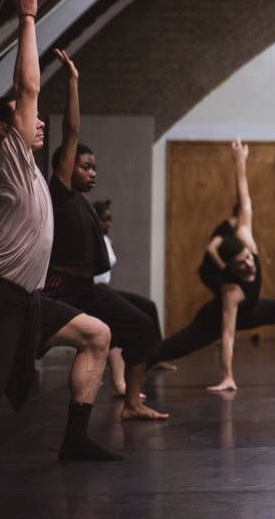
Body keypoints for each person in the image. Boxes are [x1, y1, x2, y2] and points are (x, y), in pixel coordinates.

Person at [0, 0, 120, 460]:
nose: (39, 121)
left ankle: (76, 441)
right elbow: (27, 86)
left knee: (97, 334)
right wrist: (27, 18)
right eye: (29, 117)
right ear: (7, 129)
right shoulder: (10, 161)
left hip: (23, 299)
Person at [41, 51, 166, 421]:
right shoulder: (60, 193)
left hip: (88, 289)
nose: (93, 172)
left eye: (95, 167)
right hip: (62, 289)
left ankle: (132, 403)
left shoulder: (81, 202)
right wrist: (74, 82)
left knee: (142, 324)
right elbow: (71, 132)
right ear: (66, 166)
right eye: (85, 166)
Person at [154, 139, 275, 390]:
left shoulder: (247, 239)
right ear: (231, 269)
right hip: (213, 319)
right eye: (241, 264)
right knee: (173, 348)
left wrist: (240, 162)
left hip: (251, 308)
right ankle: (132, 360)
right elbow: (228, 335)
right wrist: (228, 377)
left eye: (248, 258)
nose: (249, 264)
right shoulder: (231, 290)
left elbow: (244, 198)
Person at [92, 198, 173, 397]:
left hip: (106, 288)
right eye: (104, 219)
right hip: (93, 290)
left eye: (109, 219)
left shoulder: (106, 239)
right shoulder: (92, 238)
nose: (107, 223)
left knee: (147, 306)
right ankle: (120, 383)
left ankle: (156, 354)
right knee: (123, 325)